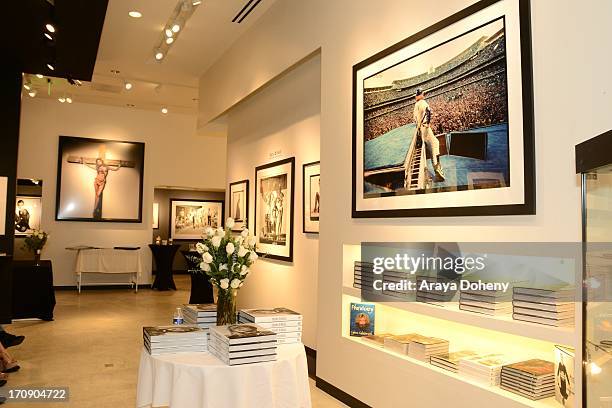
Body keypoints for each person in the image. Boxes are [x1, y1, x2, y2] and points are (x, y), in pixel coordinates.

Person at [413, 88, 445, 180]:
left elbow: (415, 118)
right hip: (425, 128)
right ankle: (437, 168)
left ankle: (435, 169)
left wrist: (419, 128)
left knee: (429, 147)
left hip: (420, 130)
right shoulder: (423, 103)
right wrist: (427, 124)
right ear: (423, 94)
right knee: (435, 144)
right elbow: (428, 113)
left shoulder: (416, 104)